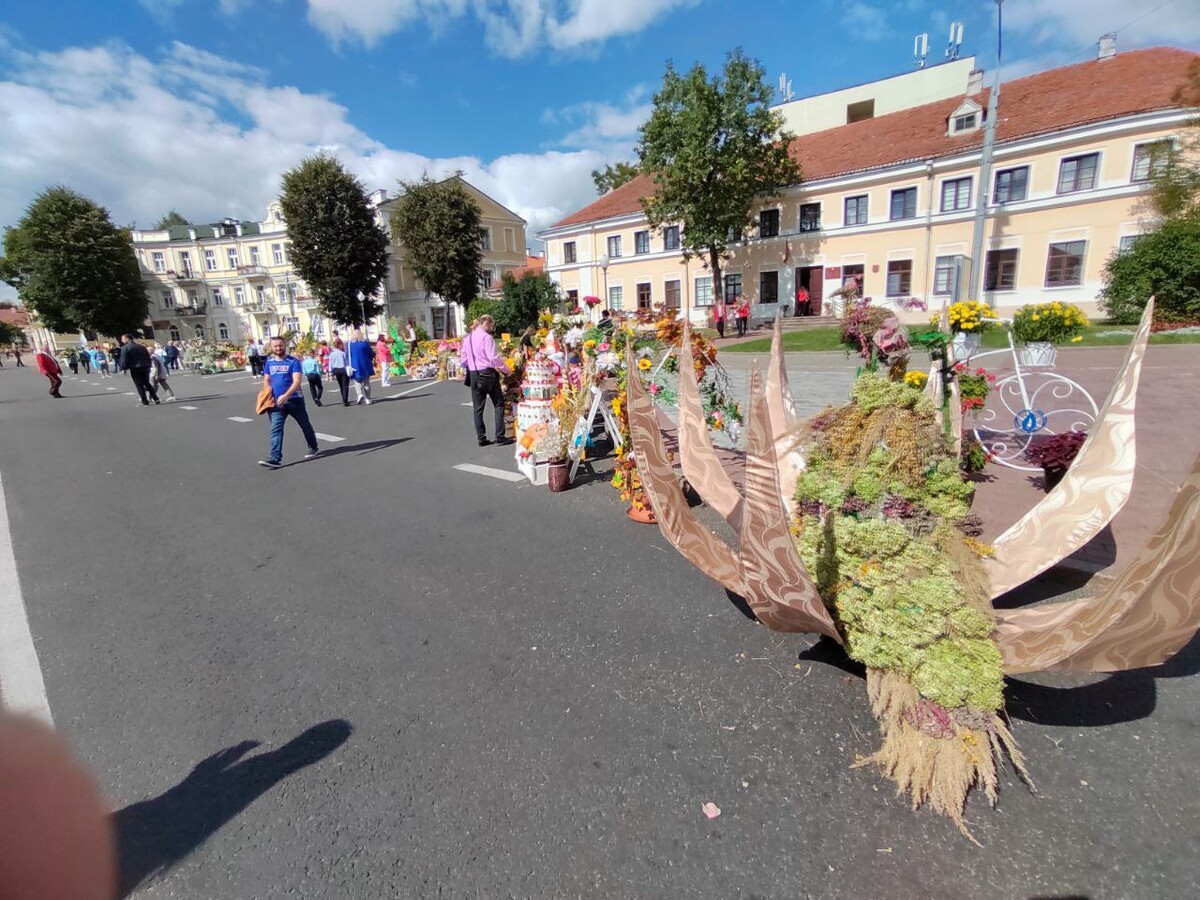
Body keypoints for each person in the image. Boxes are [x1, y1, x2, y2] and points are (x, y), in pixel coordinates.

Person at [259, 336, 320, 469]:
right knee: (276, 430)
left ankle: (313, 446)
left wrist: (286, 395)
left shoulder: (293, 362)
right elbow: (267, 380)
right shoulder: (269, 363)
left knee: (305, 424)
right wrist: (266, 393)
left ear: (284, 345)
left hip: (294, 400)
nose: (278, 348)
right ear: (271, 347)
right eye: (275, 346)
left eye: (280, 345)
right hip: (276, 403)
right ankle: (274, 458)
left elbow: (297, 381)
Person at [459, 314, 511, 447]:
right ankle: (500, 436)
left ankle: (481, 437)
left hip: (473, 373)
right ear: (487, 324)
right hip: (487, 373)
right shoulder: (487, 338)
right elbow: (492, 357)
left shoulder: (468, 338)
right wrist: (505, 369)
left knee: (478, 407)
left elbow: (463, 358)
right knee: (498, 403)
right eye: (491, 326)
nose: (491, 329)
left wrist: (469, 365)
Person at [119, 334, 159, 406]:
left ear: (128, 339)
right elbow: (148, 356)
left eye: (123, 339)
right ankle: (156, 398)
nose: (122, 340)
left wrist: (123, 368)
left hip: (135, 368)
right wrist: (148, 365)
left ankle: (145, 401)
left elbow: (123, 359)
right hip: (145, 366)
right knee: (147, 383)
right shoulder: (141, 346)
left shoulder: (125, 348)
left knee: (139, 385)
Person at [347, 329, 375, 405]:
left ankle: (359, 394)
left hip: (355, 365)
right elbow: (371, 353)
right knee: (366, 382)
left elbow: (347, 355)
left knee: (357, 381)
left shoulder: (349, 344)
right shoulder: (364, 343)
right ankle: (368, 399)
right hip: (365, 365)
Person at [328, 339, 351, 406]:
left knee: (341, 384)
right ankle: (345, 400)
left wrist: (331, 371)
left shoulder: (332, 354)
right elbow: (346, 362)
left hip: (336, 370)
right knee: (345, 385)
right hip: (343, 369)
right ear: (339, 345)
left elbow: (330, 363)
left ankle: (343, 398)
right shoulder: (342, 353)